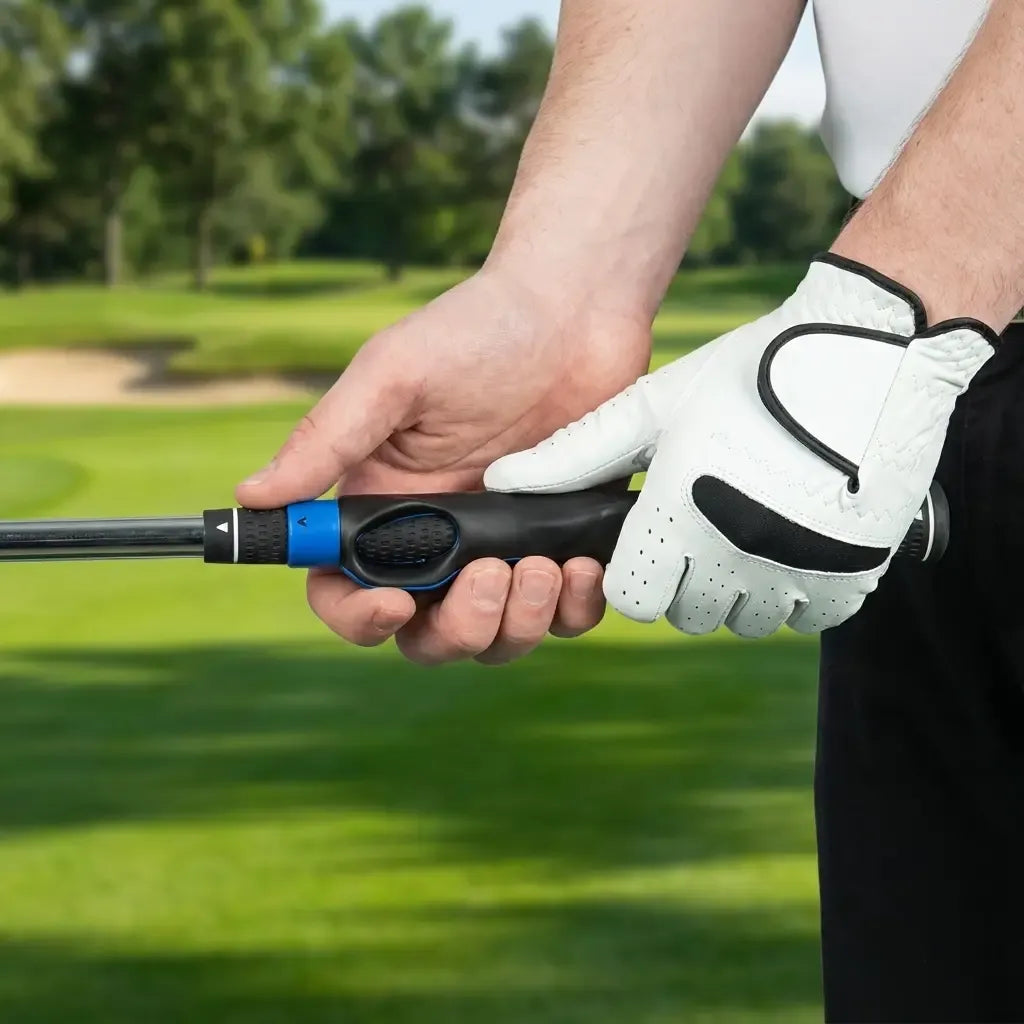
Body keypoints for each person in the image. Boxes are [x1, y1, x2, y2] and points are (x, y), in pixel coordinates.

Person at [238, 2, 1024, 1020]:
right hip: (918, 389)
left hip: (903, 330)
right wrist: (562, 294)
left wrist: (898, 302)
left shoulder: (890, 329)